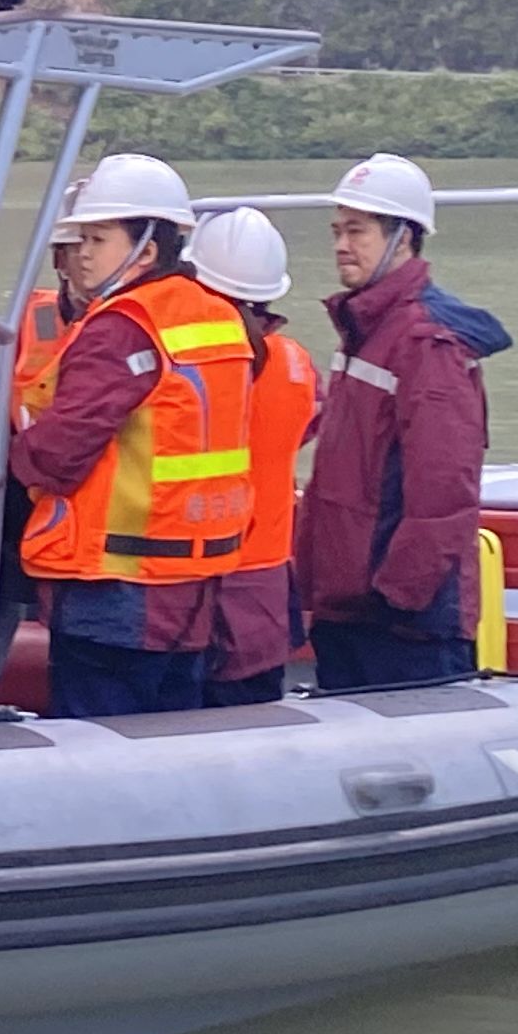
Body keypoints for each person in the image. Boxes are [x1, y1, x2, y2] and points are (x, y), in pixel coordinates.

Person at [5, 152, 254, 717]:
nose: (83, 254)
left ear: (146, 247)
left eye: (98, 238)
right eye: (81, 238)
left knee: (101, 755)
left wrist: (14, 453)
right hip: (195, 582)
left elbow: (57, 454)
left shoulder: (120, 328)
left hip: (114, 587)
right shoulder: (220, 316)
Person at [299, 153, 514, 694]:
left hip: (401, 624)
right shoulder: (367, 328)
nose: (341, 245)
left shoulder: (424, 343)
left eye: (357, 231)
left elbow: (444, 493)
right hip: (350, 606)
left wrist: (397, 596)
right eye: (336, 231)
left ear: (405, 237)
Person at [189, 206, 320, 708]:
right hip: (265, 595)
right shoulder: (296, 364)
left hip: (194, 591)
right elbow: (308, 424)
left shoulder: (190, 361)